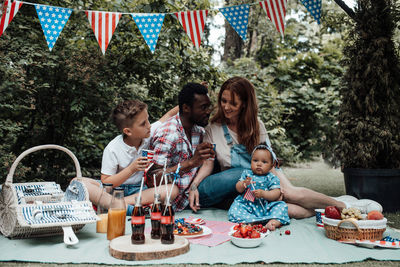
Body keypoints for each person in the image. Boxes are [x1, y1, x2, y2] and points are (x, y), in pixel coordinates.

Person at [189, 76, 369, 218]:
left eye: (233, 103)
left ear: (244, 104)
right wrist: (194, 186)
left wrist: (274, 188)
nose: (226, 107)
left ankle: (344, 207)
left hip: (263, 176)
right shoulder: (213, 129)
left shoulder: (256, 126)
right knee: (285, 205)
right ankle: (330, 207)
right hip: (238, 184)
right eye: (223, 101)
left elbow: (269, 159)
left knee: (291, 198)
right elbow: (208, 164)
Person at [78, 100, 179, 214]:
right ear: (128, 131)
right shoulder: (113, 148)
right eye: (143, 123)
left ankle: (116, 205)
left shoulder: (148, 133)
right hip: (114, 190)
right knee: (79, 182)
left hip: (138, 190)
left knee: (173, 189)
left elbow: (169, 115)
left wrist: (191, 97)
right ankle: (131, 208)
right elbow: (107, 182)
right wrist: (132, 169)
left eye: (148, 120)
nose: (149, 125)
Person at [147, 82, 215, 211]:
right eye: (203, 107)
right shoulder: (168, 134)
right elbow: (153, 179)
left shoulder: (200, 131)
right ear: (186, 108)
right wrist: (191, 163)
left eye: (209, 106)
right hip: (173, 203)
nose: (208, 111)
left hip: (195, 193)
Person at [228, 142, 290, 231]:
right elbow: (238, 188)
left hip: (266, 205)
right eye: (255, 160)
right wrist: (244, 183)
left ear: (271, 166)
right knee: (235, 209)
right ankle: (251, 221)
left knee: (282, 206)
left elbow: (276, 193)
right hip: (248, 204)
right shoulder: (247, 174)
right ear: (251, 161)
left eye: (264, 162)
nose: (259, 164)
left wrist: (264, 194)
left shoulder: (271, 177)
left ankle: (273, 222)